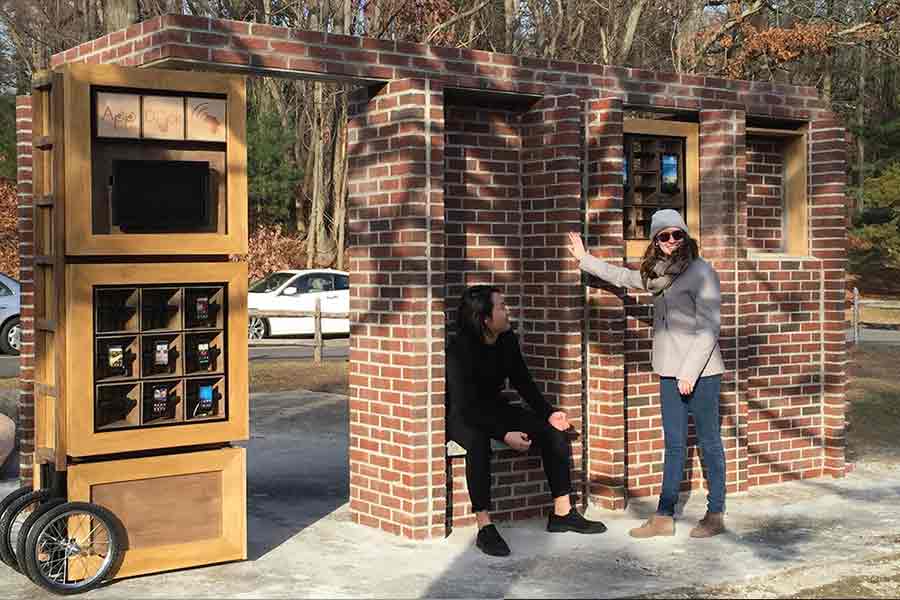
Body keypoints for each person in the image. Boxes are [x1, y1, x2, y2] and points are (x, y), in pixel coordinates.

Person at [566, 209, 727, 539]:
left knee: (709, 442)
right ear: (656, 240)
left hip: (703, 372)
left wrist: (689, 374)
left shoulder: (702, 272)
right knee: (674, 445)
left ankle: (715, 514)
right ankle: (664, 516)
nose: (671, 241)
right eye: (664, 235)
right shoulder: (655, 273)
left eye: (677, 234)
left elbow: (709, 328)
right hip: (669, 371)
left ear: (685, 236)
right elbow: (623, 277)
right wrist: (585, 260)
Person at [446, 285, 607, 557]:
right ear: (484, 318)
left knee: (552, 432)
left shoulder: (506, 339)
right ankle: (485, 526)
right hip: (465, 415)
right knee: (477, 442)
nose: (507, 311)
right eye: (501, 306)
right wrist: (504, 434)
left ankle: (562, 513)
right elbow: (466, 406)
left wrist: (548, 413)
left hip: (494, 408)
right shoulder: (460, 349)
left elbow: (523, 381)